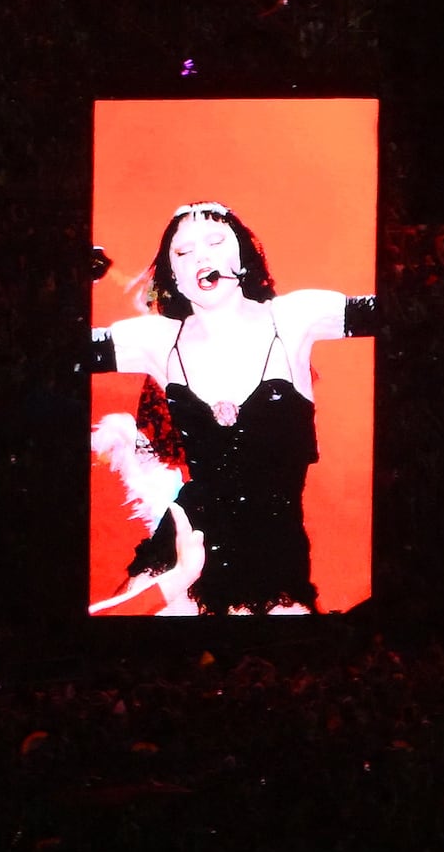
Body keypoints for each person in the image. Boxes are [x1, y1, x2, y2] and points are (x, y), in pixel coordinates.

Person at [86, 204, 371, 614]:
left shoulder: (292, 319)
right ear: (175, 278)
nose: (200, 256)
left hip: (274, 561)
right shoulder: (157, 340)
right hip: (183, 550)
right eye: (182, 253)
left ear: (242, 256)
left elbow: (398, 312)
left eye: (216, 242)